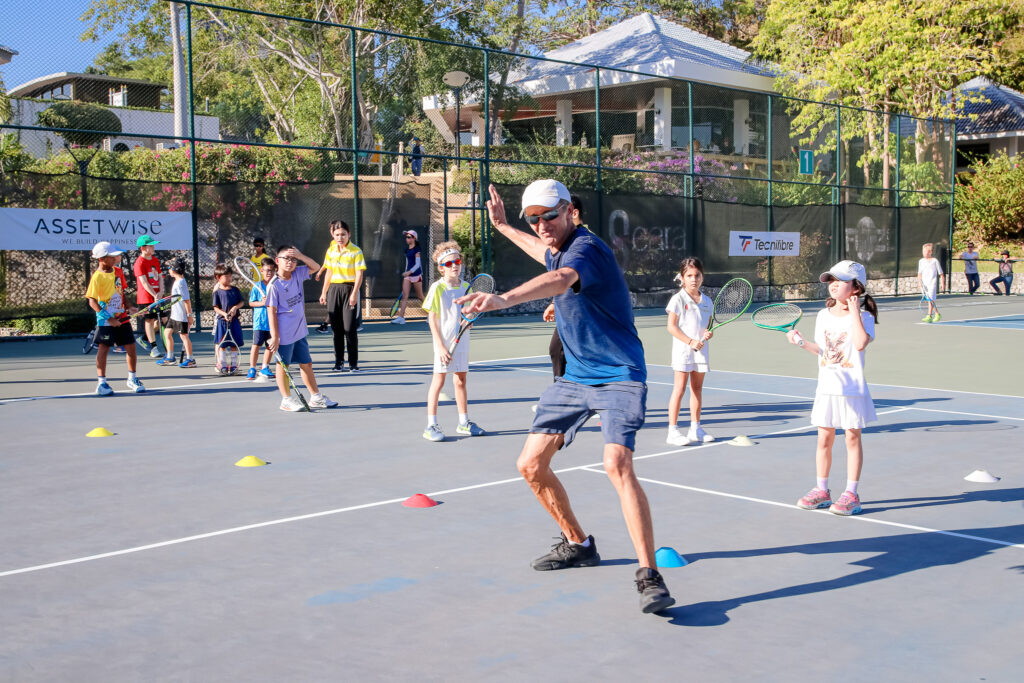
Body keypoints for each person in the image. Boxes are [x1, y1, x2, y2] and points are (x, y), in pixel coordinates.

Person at [458, 179, 675, 615]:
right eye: (533, 218)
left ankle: (649, 575)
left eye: (548, 216)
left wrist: (503, 299)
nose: (540, 225)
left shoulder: (587, 249)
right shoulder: (557, 242)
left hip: (618, 375)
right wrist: (503, 227)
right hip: (574, 378)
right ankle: (578, 543)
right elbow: (545, 256)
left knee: (616, 463)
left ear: (571, 211)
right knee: (530, 465)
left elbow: (559, 276)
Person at [787, 260, 879, 517]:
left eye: (840, 281)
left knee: (852, 437)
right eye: (831, 280)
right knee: (824, 438)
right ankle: (822, 490)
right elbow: (823, 351)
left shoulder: (865, 317)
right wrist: (800, 341)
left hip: (852, 387)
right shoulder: (822, 315)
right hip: (827, 386)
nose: (834, 285)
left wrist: (853, 313)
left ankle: (851, 493)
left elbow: (860, 344)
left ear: (856, 288)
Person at [421, 241, 485, 442]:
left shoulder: (466, 287)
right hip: (443, 342)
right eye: (449, 264)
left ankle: (463, 422)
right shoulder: (437, 288)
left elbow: (467, 316)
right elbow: (432, 318)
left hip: (462, 340)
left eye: (457, 262)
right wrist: (439, 346)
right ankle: (430, 425)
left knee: (460, 380)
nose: (455, 266)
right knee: (438, 381)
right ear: (441, 268)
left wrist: (468, 322)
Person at [267, 245, 337, 411]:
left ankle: (316, 397)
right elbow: (271, 312)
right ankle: (286, 400)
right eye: (286, 258)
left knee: (306, 364)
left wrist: (300, 255)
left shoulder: (298, 273)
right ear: (277, 261)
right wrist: (275, 336)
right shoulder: (274, 285)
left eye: (293, 259)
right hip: (284, 334)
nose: (290, 262)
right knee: (283, 367)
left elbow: (316, 267)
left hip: (299, 331)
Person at [664, 258, 714, 446]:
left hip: (701, 352)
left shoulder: (707, 301)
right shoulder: (677, 299)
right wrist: (690, 341)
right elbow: (671, 327)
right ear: (682, 278)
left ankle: (695, 429)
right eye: (689, 276)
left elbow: (707, 326)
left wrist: (708, 334)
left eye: (697, 275)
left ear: (702, 276)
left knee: (697, 389)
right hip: (683, 351)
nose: (694, 279)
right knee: (679, 389)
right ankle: (673, 431)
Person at [86, 241, 145, 396]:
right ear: (101, 259)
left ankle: (132, 378)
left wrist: (130, 307)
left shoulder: (118, 272)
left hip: (122, 317)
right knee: (104, 349)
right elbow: (92, 301)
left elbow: (121, 293)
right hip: (105, 321)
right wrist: (109, 318)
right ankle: (102, 383)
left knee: (131, 347)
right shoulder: (97, 277)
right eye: (111, 257)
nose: (115, 258)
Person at [540, 195, 585, 379]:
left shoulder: (583, 242)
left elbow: (566, 277)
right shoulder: (565, 242)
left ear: (573, 213)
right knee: (560, 351)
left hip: (583, 311)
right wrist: (553, 302)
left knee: (561, 352)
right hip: (569, 310)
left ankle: (566, 399)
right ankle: (567, 397)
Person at [318, 220, 367, 372]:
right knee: (336, 330)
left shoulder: (356, 251)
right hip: (334, 290)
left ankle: (353, 363)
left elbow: (359, 275)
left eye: (343, 234)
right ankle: (338, 362)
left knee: (349, 328)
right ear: (333, 235)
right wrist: (324, 292)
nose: (340, 237)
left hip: (349, 290)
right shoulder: (331, 251)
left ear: (349, 234)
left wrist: (353, 294)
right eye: (337, 235)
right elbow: (329, 272)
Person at [158, 259, 196, 368]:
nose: (168, 270)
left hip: (181, 316)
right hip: (174, 315)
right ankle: (170, 357)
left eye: (170, 268)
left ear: (174, 269)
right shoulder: (177, 280)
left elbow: (187, 300)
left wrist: (189, 315)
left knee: (184, 337)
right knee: (167, 333)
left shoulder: (181, 283)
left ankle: (190, 359)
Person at [133, 234, 164, 358]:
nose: (153, 247)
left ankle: (144, 338)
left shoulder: (155, 260)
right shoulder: (139, 263)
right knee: (149, 321)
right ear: (143, 248)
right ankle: (154, 348)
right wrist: (154, 294)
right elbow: (144, 282)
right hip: (146, 297)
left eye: (153, 245)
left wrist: (161, 291)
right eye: (150, 246)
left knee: (163, 321)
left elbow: (160, 277)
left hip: (158, 296)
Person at [247, 256, 277, 381]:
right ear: (262, 271)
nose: (269, 273)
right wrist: (262, 303)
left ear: (275, 271)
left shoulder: (276, 285)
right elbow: (251, 303)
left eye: (271, 270)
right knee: (256, 345)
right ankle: (252, 368)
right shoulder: (257, 286)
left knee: (270, 345)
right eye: (266, 270)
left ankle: (265, 367)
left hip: (272, 322)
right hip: (260, 322)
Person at [212, 263, 245, 375]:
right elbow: (215, 307)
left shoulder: (235, 290)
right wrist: (224, 314)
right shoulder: (217, 292)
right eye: (226, 276)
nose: (229, 278)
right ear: (218, 277)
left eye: (230, 276)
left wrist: (235, 307)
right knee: (222, 345)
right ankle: (223, 365)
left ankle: (234, 365)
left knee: (234, 344)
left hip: (234, 322)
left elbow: (241, 302)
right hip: (222, 322)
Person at [393, 229, 425, 325]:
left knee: (420, 296)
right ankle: (401, 318)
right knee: (404, 296)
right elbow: (408, 262)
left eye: (409, 237)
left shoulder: (417, 249)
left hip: (417, 275)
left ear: (414, 238)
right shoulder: (407, 250)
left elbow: (418, 264)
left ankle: (431, 313)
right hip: (408, 276)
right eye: (406, 237)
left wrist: (410, 272)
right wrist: (407, 272)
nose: (407, 239)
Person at [917, 242, 943, 322]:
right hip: (924, 284)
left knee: (930, 299)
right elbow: (919, 273)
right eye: (923, 251)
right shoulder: (921, 261)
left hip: (932, 283)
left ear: (930, 252)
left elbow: (941, 273)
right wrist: (919, 283)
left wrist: (943, 284)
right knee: (929, 300)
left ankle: (929, 316)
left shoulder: (935, 261)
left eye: (926, 251)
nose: (924, 253)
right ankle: (937, 314)